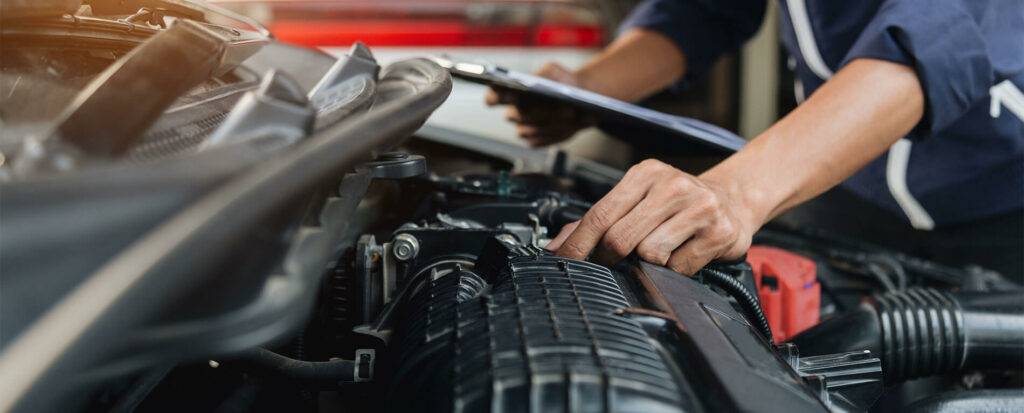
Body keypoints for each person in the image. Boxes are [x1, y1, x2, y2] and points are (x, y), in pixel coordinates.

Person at [486, 0, 1024, 281]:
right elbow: (703, 11)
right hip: (847, 193)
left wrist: (736, 192)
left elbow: (939, 33)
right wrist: (589, 91)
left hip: (1004, 200)